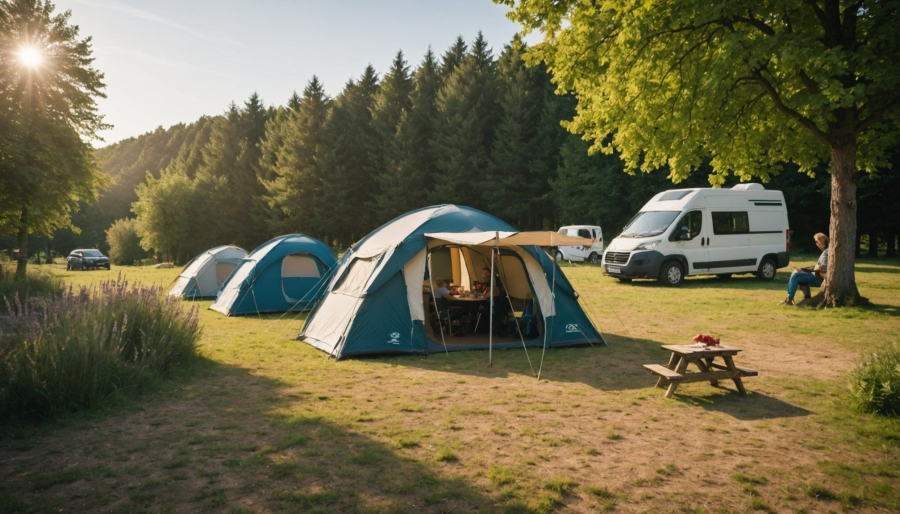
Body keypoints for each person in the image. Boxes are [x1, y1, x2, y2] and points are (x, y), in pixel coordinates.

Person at [780, 233, 829, 306]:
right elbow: (819, 266)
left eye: (817, 242)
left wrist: (807, 270)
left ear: (822, 241)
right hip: (816, 275)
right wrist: (804, 269)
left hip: (818, 278)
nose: (816, 244)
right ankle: (801, 298)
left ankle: (789, 300)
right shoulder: (826, 251)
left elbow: (824, 268)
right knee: (795, 273)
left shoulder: (825, 253)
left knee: (795, 276)